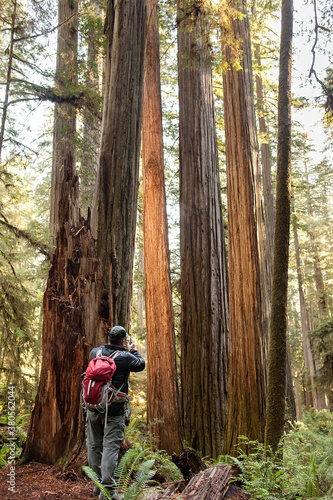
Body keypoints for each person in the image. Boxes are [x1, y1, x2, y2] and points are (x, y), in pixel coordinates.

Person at [85, 325, 145, 500]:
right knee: (110, 447)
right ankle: (108, 491)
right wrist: (133, 349)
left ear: (109, 337)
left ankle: (97, 487)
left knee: (93, 446)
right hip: (115, 410)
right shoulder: (126, 357)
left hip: (93, 407)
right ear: (123, 340)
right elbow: (140, 364)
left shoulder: (95, 352)